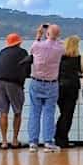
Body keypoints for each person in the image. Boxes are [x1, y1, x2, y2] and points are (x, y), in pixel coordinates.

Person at [27, 23, 64, 152]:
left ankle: (33, 142)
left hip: (36, 81)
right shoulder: (60, 48)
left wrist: (39, 35)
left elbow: (31, 51)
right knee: (49, 113)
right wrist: (54, 33)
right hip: (52, 83)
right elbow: (59, 41)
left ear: (46, 34)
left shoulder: (37, 45)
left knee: (34, 112)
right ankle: (48, 142)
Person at [0, 33, 31, 149]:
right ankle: (14, 140)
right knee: (17, 112)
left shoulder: (2, 52)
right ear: (19, 42)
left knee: (3, 112)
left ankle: (4, 141)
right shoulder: (22, 52)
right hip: (14, 83)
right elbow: (27, 69)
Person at [54, 36, 83, 149]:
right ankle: (62, 139)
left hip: (59, 86)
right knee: (67, 114)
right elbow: (81, 70)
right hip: (72, 88)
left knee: (63, 113)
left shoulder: (59, 58)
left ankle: (58, 137)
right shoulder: (77, 59)